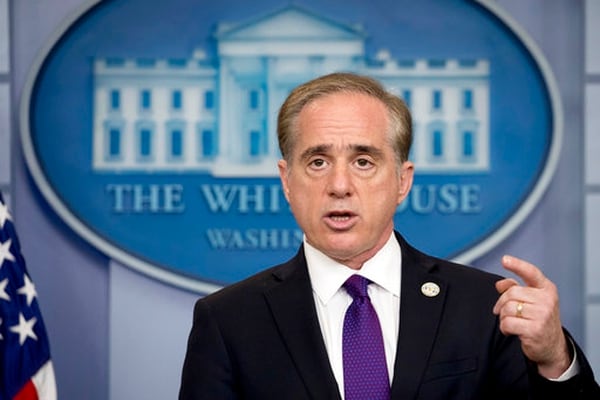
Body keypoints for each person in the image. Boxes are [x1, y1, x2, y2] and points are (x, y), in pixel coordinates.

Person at [179, 72, 599, 399]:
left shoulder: (487, 308)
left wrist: (555, 360)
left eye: (363, 161)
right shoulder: (228, 321)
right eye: (318, 162)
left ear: (402, 180)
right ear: (287, 182)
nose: (339, 185)